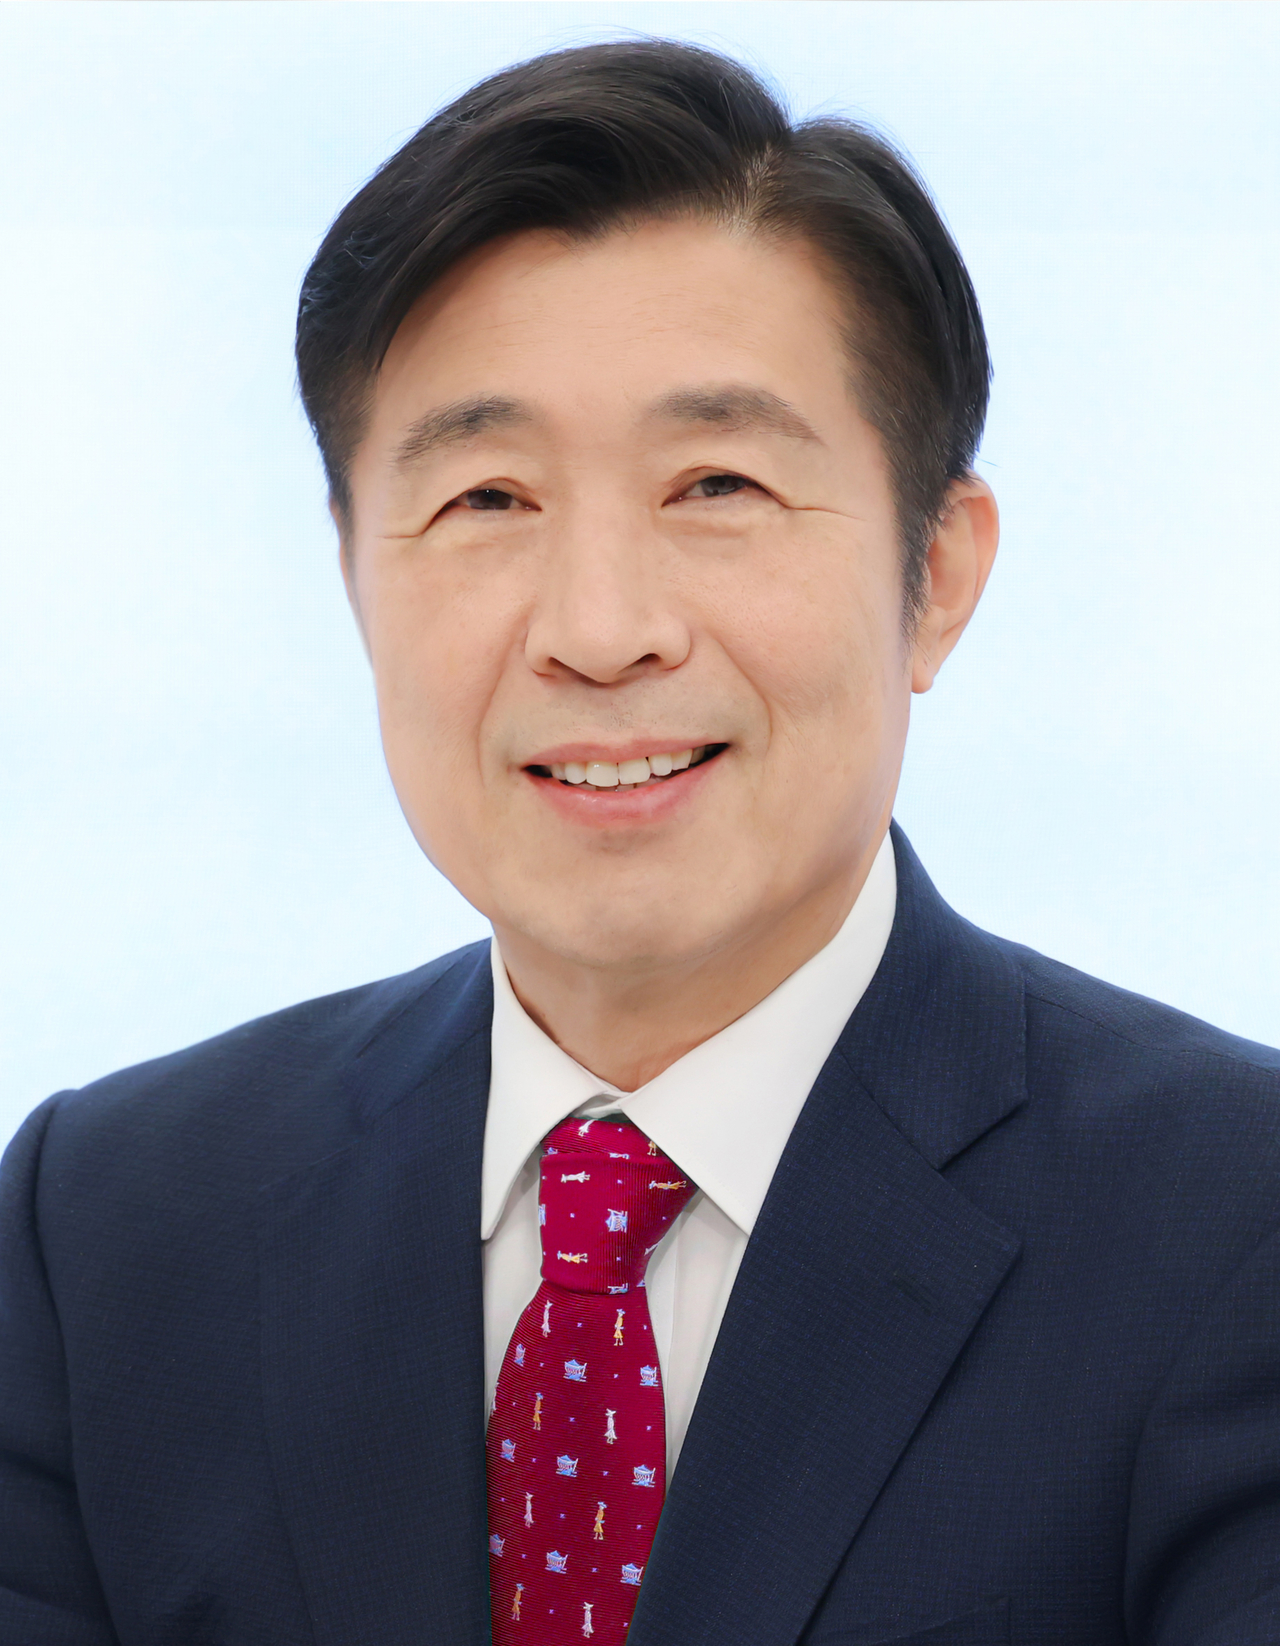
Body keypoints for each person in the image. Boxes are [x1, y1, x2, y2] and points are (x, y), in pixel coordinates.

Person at [2, 38, 1279, 1646]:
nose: (601, 630)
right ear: (354, 573)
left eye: (717, 483)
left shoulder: (1235, 1232)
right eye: (487, 499)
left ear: (939, 573)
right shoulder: (104, 1232)